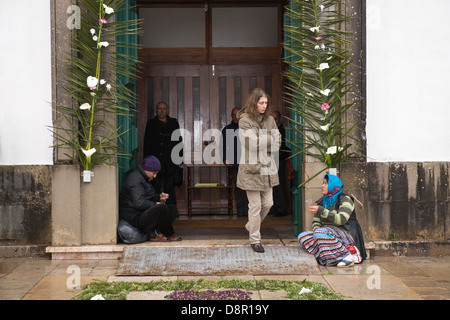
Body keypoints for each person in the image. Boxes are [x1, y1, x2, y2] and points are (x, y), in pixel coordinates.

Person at [236, 88, 281, 253]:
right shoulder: (244, 120)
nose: (264, 106)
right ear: (254, 102)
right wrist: (269, 137)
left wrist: (265, 138)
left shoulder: (270, 119)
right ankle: (255, 240)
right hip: (251, 169)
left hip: (267, 168)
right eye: (261, 103)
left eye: (266, 103)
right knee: (254, 206)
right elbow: (252, 144)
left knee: (268, 203)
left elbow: (278, 143)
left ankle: (250, 225)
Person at [298, 174, 367, 267]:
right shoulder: (323, 201)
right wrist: (315, 233)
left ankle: (348, 256)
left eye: (325, 183)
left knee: (321, 232)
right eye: (323, 183)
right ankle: (330, 258)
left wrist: (321, 211)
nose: (322, 186)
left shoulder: (345, 199)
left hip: (347, 233)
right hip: (328, 233)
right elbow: (316, 221)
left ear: (333, 186)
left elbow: (341, 219)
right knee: (303, 236)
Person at [119, 156, 182, 242]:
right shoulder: (135, 179)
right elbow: (139, 203)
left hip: (140, 213)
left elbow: (146, 197)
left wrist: (159, 197)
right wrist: (155, 205)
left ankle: (155, 232)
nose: (155, 176)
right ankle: (170, 234)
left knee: (172, 209)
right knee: (161, 208)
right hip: (133, 217)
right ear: (147, 170)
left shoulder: (143, 176)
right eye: (154, 173)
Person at [143, 101, 183, 210]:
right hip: (155, 161)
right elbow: (147, 143)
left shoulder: (173, 123)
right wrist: (147, 161)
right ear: (157, 110)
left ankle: (171, 210)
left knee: (169, 187)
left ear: (167, 110)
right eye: (159, 109)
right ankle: (155, 209)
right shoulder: (151, 123)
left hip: (169, 161)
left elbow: (178, 141)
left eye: (164, 109)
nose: (161, 111)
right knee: (155, 187)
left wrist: (179, 158)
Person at [221, 107, 249, 217]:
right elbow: (223, 147)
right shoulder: (227, 129)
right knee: (238, 187)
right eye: (234, 115)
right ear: (231, 116)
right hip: (235, 163)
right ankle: (241, 209)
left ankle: (249, 209)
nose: (236, 117)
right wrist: (225, 158)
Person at [269, 111, 290, 216]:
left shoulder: (283, 131)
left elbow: (285, 149)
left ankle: (281, 208)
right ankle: (274, 207)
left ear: (279, 120)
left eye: (275, 119)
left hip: (279, 162)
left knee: (279, 185)